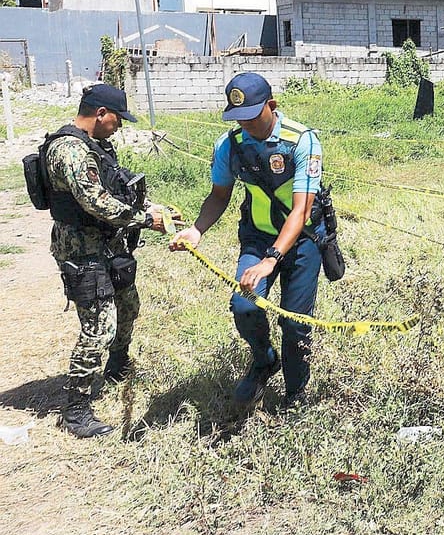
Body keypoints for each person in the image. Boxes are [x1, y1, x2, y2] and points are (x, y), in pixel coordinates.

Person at [170, 72, 324, 410]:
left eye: (253, 115)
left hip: (303, 239)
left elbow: (301, 211)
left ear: (272, 105)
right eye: (239, 117)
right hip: (257, 237)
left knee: (295, 322)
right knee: (245, 305)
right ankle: (264, 359)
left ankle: (295, 395)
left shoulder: (302, 141)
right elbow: (219, 195)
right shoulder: (230, 146)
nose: (247, 124)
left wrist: (271, 260)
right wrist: (196, 229)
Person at [42, 84, 170, 437]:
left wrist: (150, 207)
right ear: (100, 113)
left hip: (108, 245)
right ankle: (76, 411)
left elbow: (115, 189)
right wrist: (146, 220)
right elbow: (96, 202)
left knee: (128, 306)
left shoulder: (94, 146)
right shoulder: (69, 151)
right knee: (99, 328)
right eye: (117, 118)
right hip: (82, 252)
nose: (120, 125)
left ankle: (117, 365)